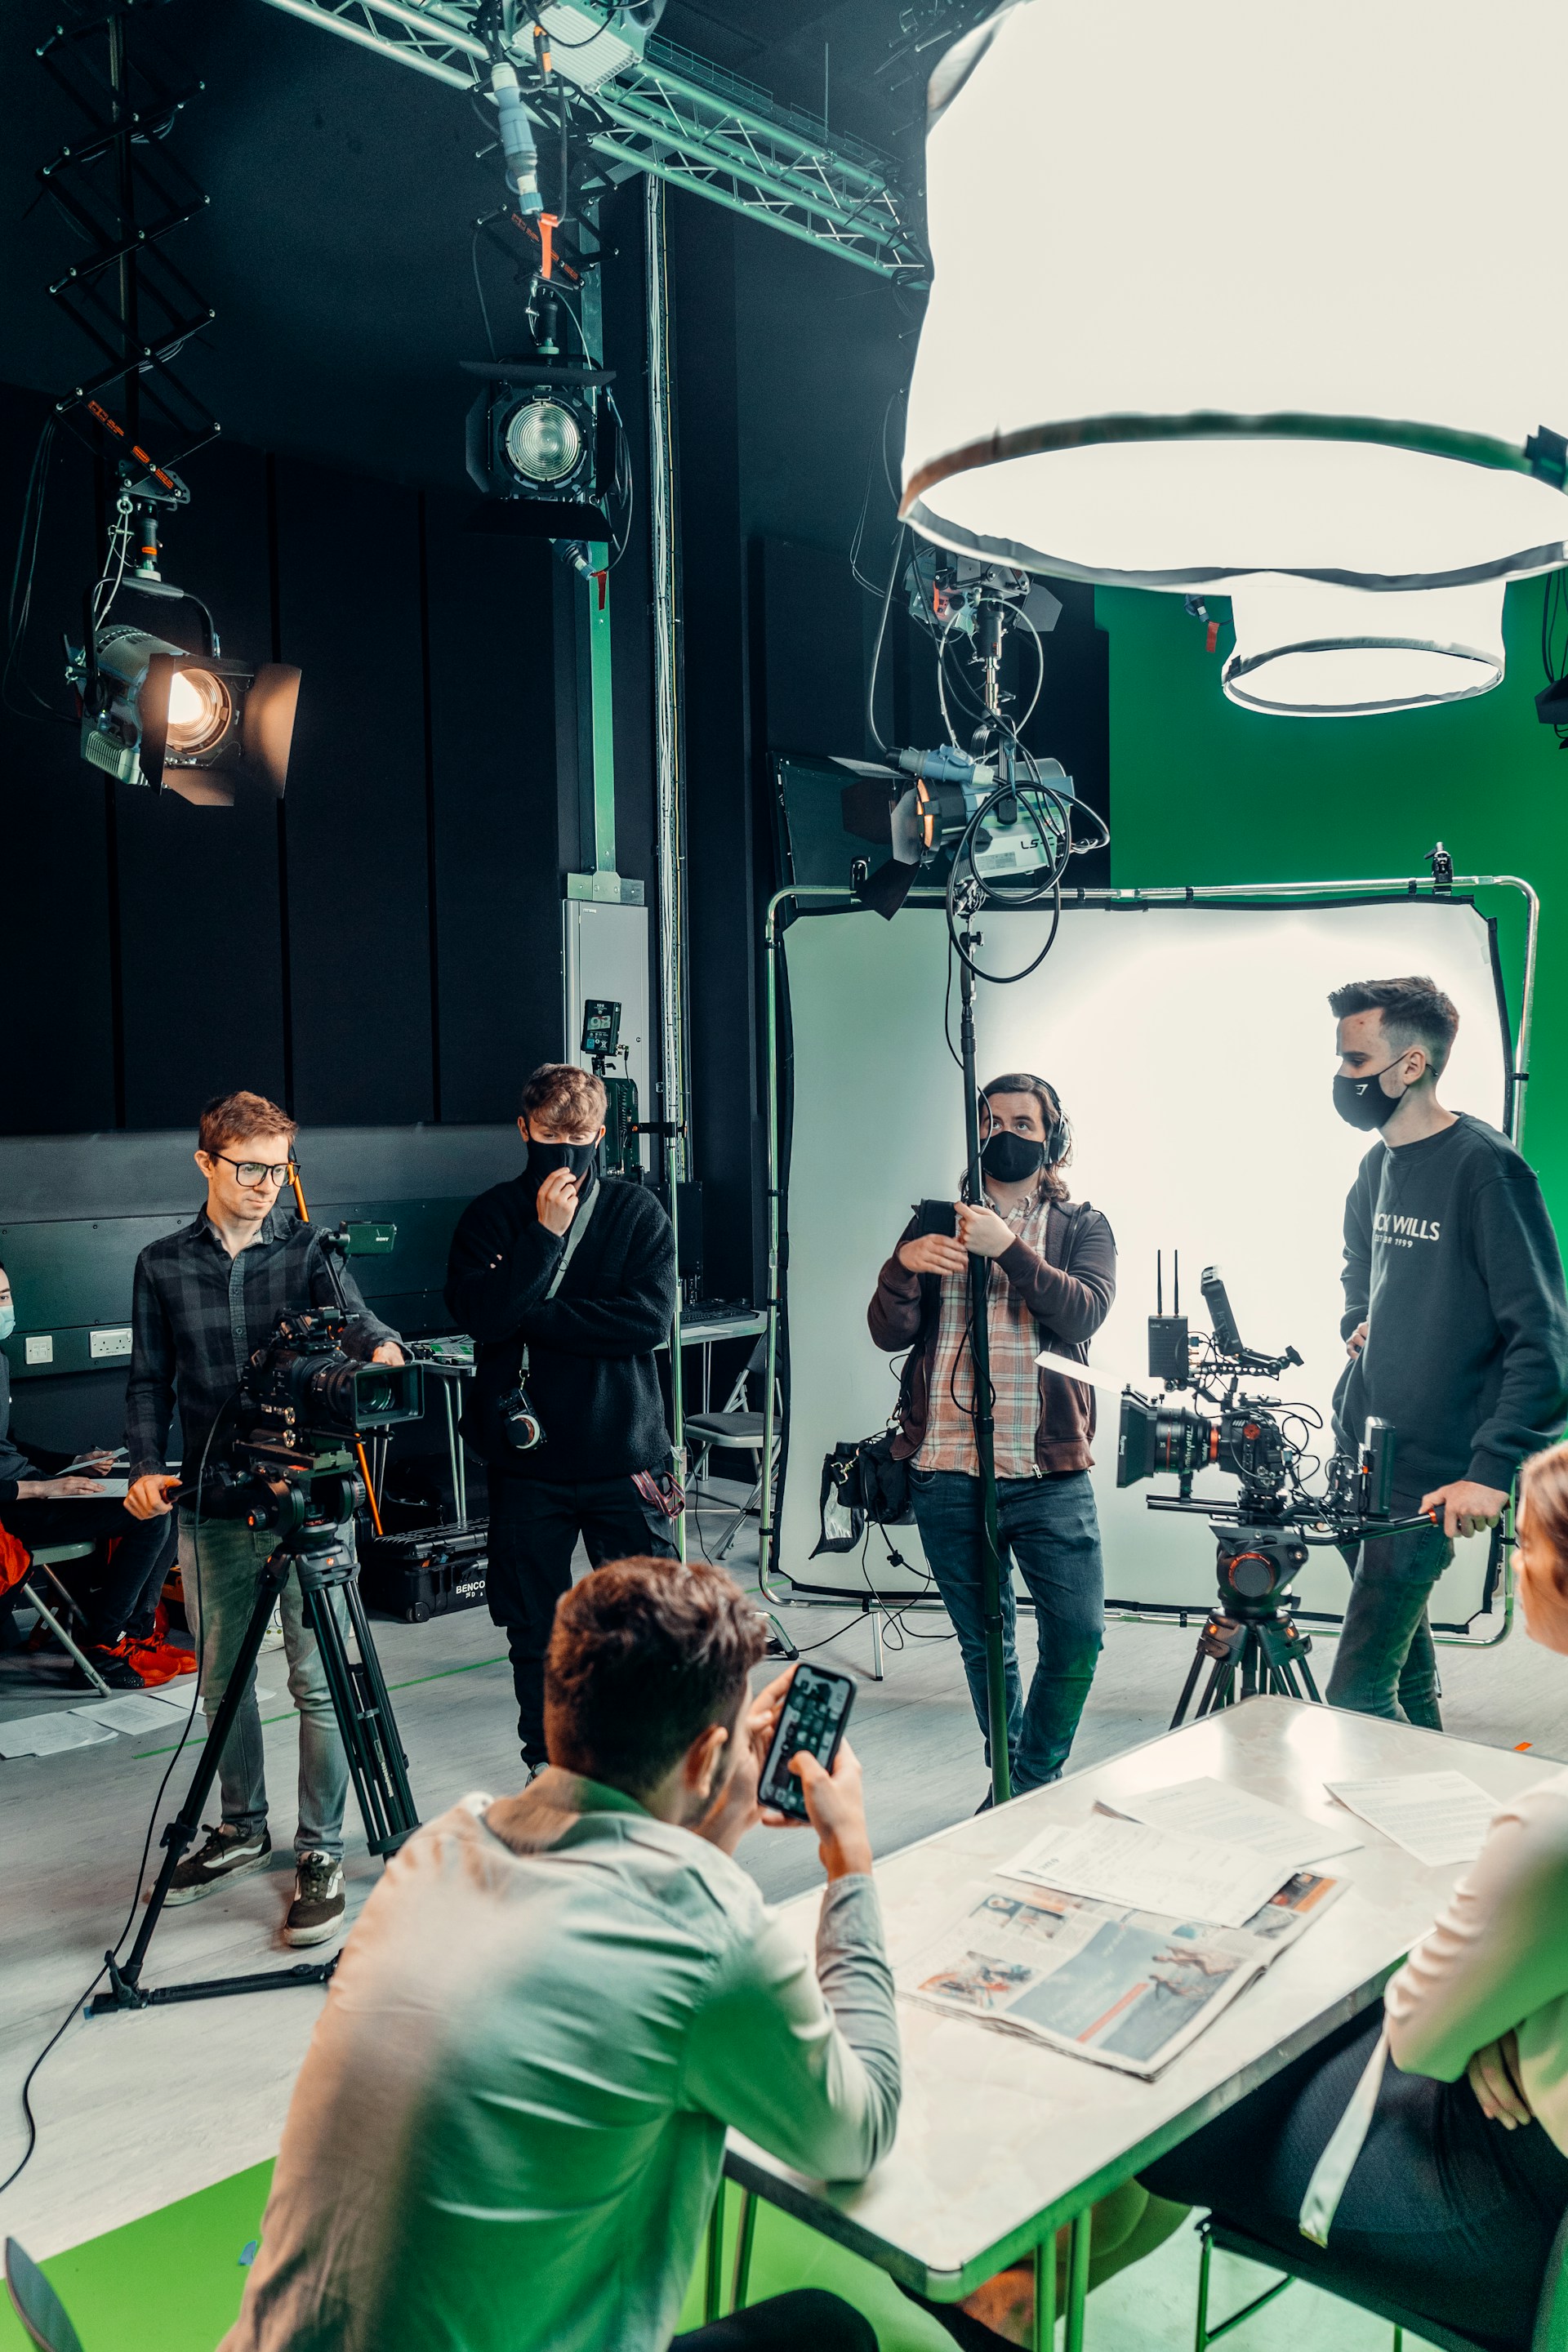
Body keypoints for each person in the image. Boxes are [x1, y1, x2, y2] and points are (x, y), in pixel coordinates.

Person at [218, 1554, 900, 2352]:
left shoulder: (437, 1849)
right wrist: (850, 1858)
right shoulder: (708, 1934)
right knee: (829, 2331)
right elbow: (860, 2132)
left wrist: (715, 1801)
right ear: (705, 1758)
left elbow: (644, 1891)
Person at [1137, 1435, 1568, 2352]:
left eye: (1525, 1545)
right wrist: (1520, 2008)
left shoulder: (1551, 1829)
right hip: (1532, 2151)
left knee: (1174, 2120)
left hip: (1492, 2201)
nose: (1513, 1564)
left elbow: (1420, 2034)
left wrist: (1488, 2009)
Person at [122, 1090, 406, 1947]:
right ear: (206, 1162)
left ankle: (321, 1851)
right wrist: (144, 1465)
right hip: (215, 1498)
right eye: (248, 1169)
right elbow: (148, 1382)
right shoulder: (160, 1264)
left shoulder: (312, 1249)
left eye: (278, 1170)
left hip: (309, 1494)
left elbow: (359, 1324)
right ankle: (241, 1828)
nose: (265, 1186)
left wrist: (384, 1351)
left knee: (318, 1683)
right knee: (222, 1683)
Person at [1327, 975, 1568, 1726]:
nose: (1343, 1077)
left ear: (1411, 1066)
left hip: (1431, 1479)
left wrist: (1491, 1473)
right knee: (1402, 1679)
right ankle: (1438, 1799)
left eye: (1357, 1061)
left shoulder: (1486, 1170)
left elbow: (1544, 1339)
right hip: (1363, 1457)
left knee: (1355, 1695)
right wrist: (1360, 1318)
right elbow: (1359, 1261)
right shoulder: (1378, 1166)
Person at [867, 1072, 1116, 1794]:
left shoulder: (1082, 1226)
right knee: (986, 1642)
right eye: (991, 1123)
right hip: (946, 1467)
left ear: (1052, 1138)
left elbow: (1083, 1313)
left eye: (1022, 1123)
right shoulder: (935, 1220)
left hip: (1046, 1473)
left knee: (1078, 1637)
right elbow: (889, 1333)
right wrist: (901, 1267)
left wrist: (1006, 1246)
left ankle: (1032, 1781)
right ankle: (1007, 1783)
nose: (1005, 1135)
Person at [446, 1061, 679, 1777]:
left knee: (647, 1624)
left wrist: (536, 1315)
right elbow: (481, 1316)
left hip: (624, 1456)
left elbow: (648, 1321)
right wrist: (544, 1237)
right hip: (528, 1466)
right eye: (551, 1137)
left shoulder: (638, 1213)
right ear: (524, 1130)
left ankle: (646, 1762)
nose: (566, 1152)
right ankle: (548, 1764)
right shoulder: (491, 1216)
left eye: (580, 1139)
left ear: (601, 1136)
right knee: (535, 1629)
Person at [0, 1262, 176, 1686]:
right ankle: (104, 1645)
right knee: (150, 1518)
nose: (2, 1307)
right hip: (15, 1505)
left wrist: (72, 1462)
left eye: (3, 1297)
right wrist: (40, 1488)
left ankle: (135, 1633)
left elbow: (9, 1445)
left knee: (161, 1499)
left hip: (33, 1489)